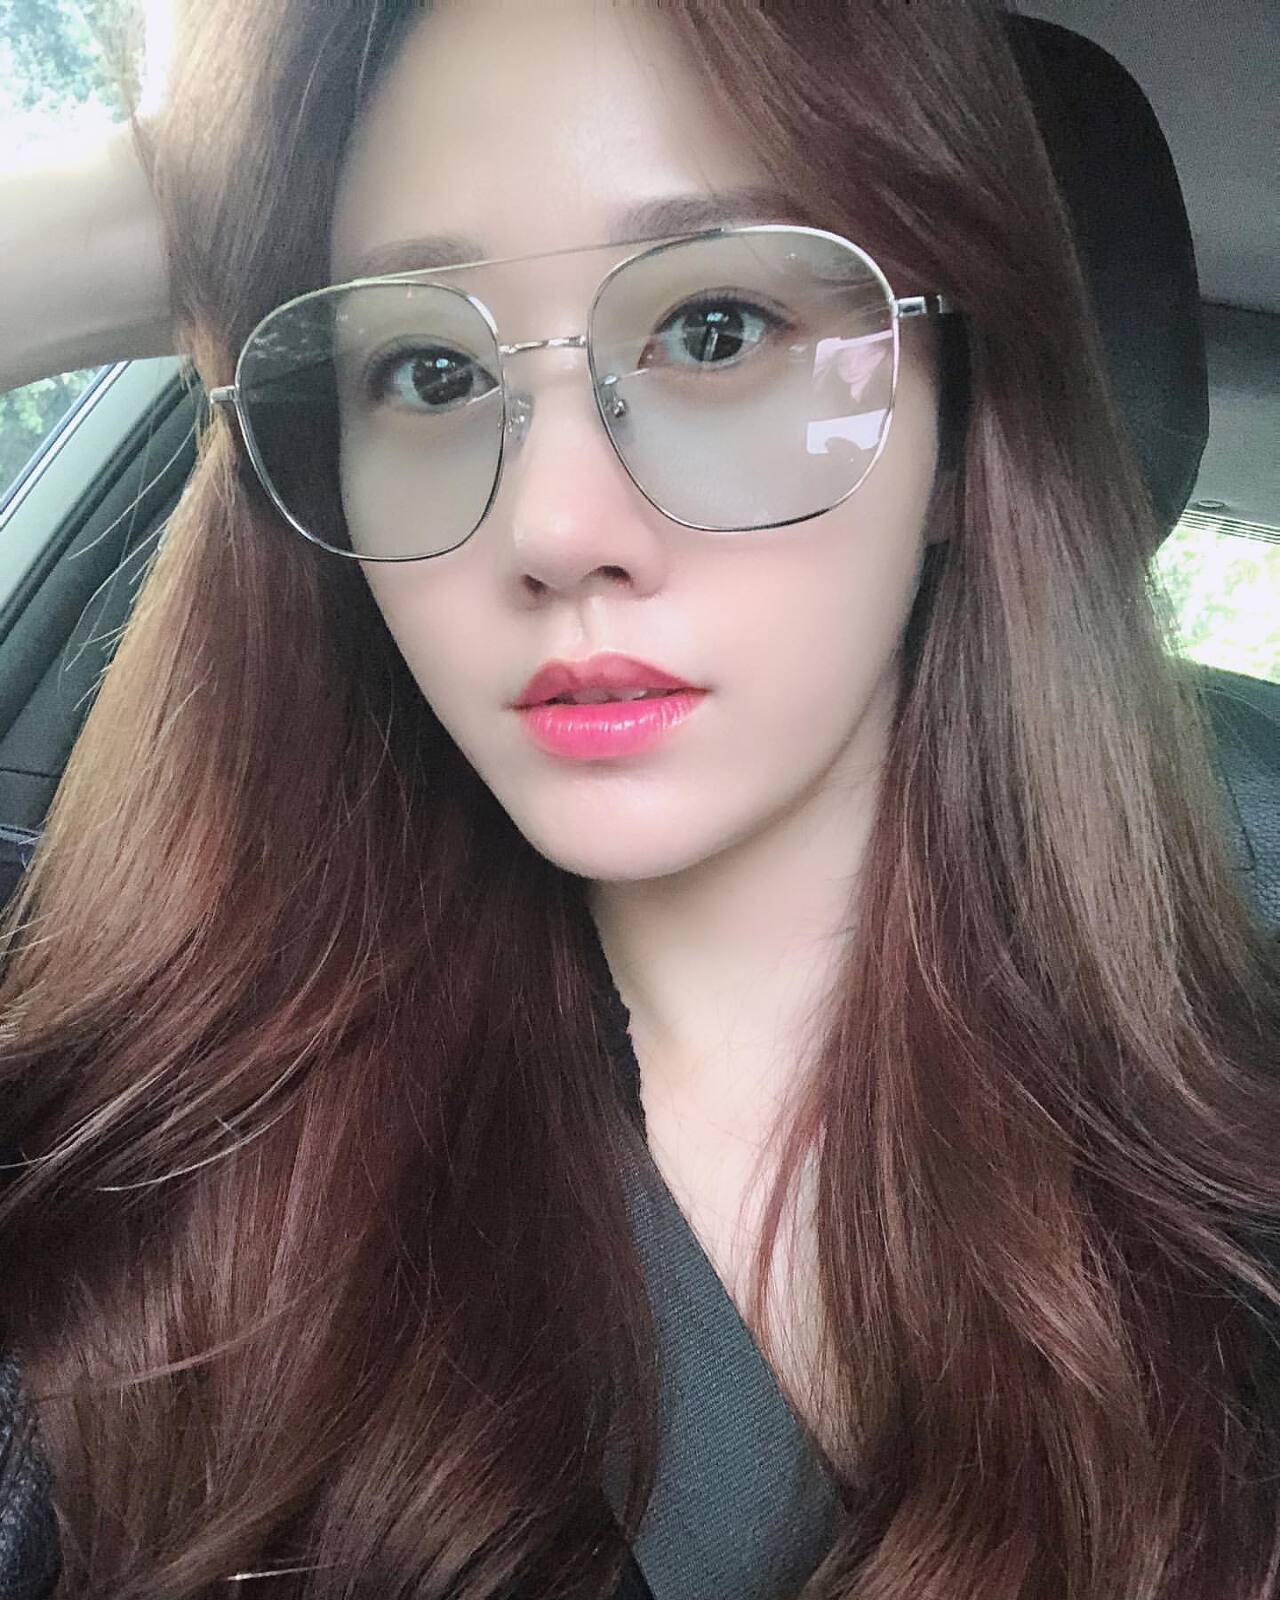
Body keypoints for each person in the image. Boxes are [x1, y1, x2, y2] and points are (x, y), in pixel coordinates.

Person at [1, 1, 1278, 1595]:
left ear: (960, 423)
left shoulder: (1236, 1182)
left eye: (717, 329)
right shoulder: (138, 1180)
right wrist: (169, 203)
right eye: (430, 368)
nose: (552, 525)